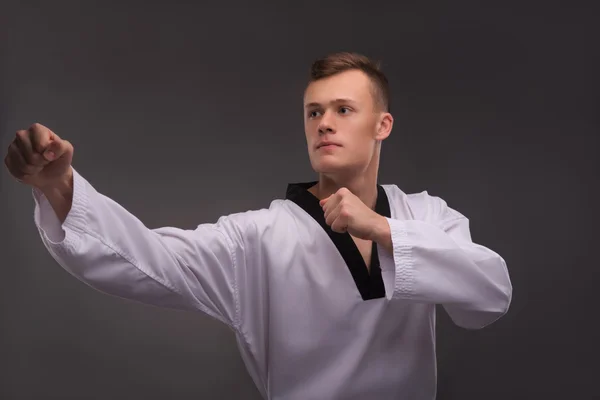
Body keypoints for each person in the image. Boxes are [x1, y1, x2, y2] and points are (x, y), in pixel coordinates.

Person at [4, 52, 512, 400]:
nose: (324, 123)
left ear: (383, 125)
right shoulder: (258, 237)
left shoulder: (425, 216)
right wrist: (58, 186)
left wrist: (383, 229)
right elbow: (150, 260)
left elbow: (489, 296)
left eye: (343, 109)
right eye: (314, 112)